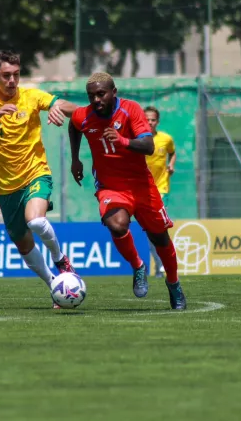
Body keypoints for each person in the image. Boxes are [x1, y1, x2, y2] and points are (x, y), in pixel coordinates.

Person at [0, 49, 78, 308]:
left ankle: (61, 259)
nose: (12, 81)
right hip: (5, 189)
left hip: (35, 173)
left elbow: (69, 106)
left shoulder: (32, 96)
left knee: (35, 220)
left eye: (16, 74)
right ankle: (55, 287)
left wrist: (59, 107)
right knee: (24, 246)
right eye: (6, 76)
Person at [68, 73, 186, 310]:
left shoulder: (131, 109)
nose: (96, 99)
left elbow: (148, 146)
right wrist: (75, 159)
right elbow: (74, 125)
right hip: (110, 186)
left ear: (114, 92)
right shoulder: (85, 114)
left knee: (159, 237)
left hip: (141, 185)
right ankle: (138, 266)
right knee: (117, 223)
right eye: (91, 96)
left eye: (101, 94)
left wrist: (122, 141)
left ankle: (173, 284)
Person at [144, 106, 176, 278]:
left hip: (161, 189)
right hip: (143, 190)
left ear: (157, 121)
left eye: (153, 120)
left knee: (159, 227)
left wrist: (171, 165)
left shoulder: (166, 139)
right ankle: (158, 264)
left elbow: (173, 152)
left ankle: (164, 263)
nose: (150, 122)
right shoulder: (138, 139)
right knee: (151, 231)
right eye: (147, 119)